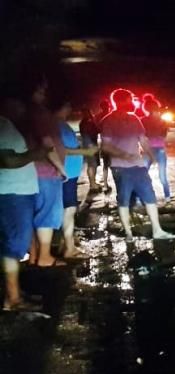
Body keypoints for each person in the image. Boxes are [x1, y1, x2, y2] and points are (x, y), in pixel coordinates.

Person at [99, 88, 175, 242]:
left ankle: (157, 230)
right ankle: (128, 234)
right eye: (129, 100)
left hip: (138, 166)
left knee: (150, 196)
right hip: (120, 167)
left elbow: (143, 140)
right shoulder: (107, 121)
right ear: (120, 101)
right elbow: (105, 146)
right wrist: (125, 155)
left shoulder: (134, 119)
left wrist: (151, 155)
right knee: (124, 199)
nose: (132, 103)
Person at [0, 96, 52, 311]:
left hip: (16, 193)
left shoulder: (8, 125)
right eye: (18, 102)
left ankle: (15, 292)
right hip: (12, 194)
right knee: (14, 245)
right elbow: (8, 160)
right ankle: (12, 299)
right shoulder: (2, 125)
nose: (22, 108)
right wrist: (37, 153)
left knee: (13, 242)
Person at [26, 79, 68, 267]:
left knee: (33, 214)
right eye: (41, 90)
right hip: (46, 172)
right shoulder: (40, 114)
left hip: (30, 172)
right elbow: (47, 143)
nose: (44, 93)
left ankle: (34, 255)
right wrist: (61, 169)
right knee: (47, 213)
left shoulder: (24, 114)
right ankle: (44, 257)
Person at [52, 98, 95, 258]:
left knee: (69, 208)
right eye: (69, 105)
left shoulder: (61, 124)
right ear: (64, 106)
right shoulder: (56, 124)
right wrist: (85, 152)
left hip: (70, 173)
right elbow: (61, 150)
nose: (71, 108)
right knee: (68, 209)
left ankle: (65, 243)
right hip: (66, 174)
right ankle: (70, 249)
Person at [141, 99, 171, 202]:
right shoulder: (162, 121)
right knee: (162, 176)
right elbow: (164, 135)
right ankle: (167, 197)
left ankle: (142, 197)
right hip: (160, 149)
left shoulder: (143, 120)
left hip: (147, 150)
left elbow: (143, 136)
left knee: (143, 175)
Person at [79, 107, 101, 192]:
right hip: (90, 144)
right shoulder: (88, 122)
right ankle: (92, 184)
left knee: (92, 164)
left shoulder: (84, 122)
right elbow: (95, 131)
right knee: (92, 164)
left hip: (89, 143)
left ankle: (93, 182)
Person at [96, 98, 112, 192]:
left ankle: (105, 184)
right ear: (108, 106)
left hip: (104, 144)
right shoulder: (112, 116)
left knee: (105, 165)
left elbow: (97, 129)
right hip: (115, 144)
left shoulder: (98, 117)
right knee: (115, 165)